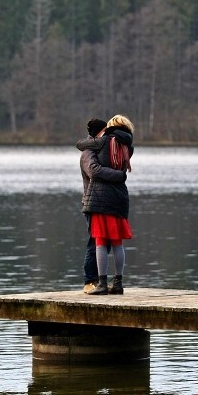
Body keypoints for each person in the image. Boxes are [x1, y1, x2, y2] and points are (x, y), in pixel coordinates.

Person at [77, 115, 134, 295]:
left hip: (99, 200)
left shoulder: (99, 144)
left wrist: (98, 139)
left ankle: (99, 282)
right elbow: (95, 168)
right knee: (114, 242)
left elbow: (82, 147)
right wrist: (120, 176)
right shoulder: (127, 147)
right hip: (118, 198)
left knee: (99, 242)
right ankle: (109, 282)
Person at [80, 118, 109, 293]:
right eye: (105, 131)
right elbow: (93, 171)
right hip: (92, 203)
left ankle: (101, 280)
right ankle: (89, 280)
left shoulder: (99, 150)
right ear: (99, 132)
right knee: (95, 242)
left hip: (103, 202)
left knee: (106, 242)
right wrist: (117, 174)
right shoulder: (88, 152)